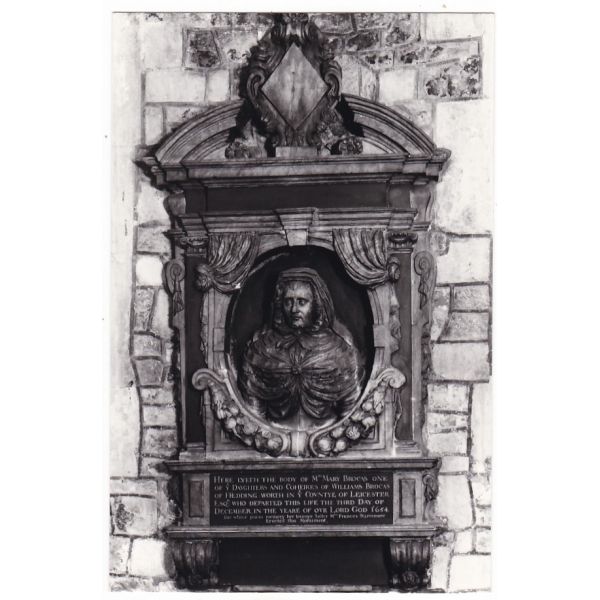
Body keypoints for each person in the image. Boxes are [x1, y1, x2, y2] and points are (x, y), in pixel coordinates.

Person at [239, 267, 362, 423]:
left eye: (302, 302)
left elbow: (351, 411)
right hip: (270, 433)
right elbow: (253, 413)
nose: (294, 309)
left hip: (329, 433)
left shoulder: (338, 350)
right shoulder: (261, 349)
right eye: (288, 302)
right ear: (280, 304)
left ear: (317, 304)